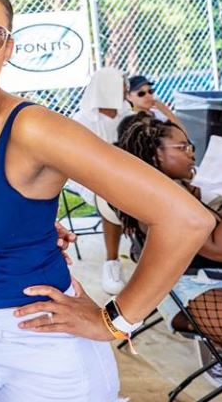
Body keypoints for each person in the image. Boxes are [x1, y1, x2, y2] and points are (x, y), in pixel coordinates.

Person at [0, 0, 214, 402]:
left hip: (44, 348)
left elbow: (187, 219)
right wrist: (21, 224)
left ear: (8, 48)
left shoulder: (35, 129)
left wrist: (115, 320)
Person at [117, 113, 222, 361]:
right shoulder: (157, 198)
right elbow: (221, 250)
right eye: (182, 147)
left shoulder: (178, 189)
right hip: (195, 287)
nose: (191, 154)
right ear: (156, 154)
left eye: (190, 146)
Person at [70, 67, 128, 295]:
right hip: (88, 175)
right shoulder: (83, 120)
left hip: (124, 173)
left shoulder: (128, 115)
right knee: (111, 196)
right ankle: (112, 262)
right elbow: (80, 159)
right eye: (122, 85)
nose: (126, 89)